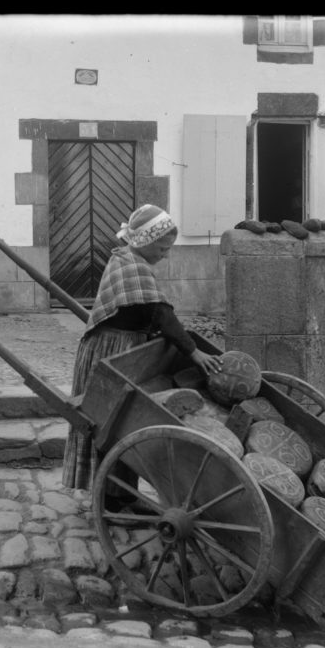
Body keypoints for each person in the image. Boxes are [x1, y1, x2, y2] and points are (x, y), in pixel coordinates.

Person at [62, 204, 223, 491]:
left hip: (126, 344)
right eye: (162, 249)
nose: (166, 254)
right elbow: (161, 314)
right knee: (108, 423)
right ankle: (111, 495)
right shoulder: (132, 266)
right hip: (113, 349)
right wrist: (193, 352)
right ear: (145, 242)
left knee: (126, 421)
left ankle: (122, 493)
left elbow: (152, 313)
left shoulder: (127, 259)